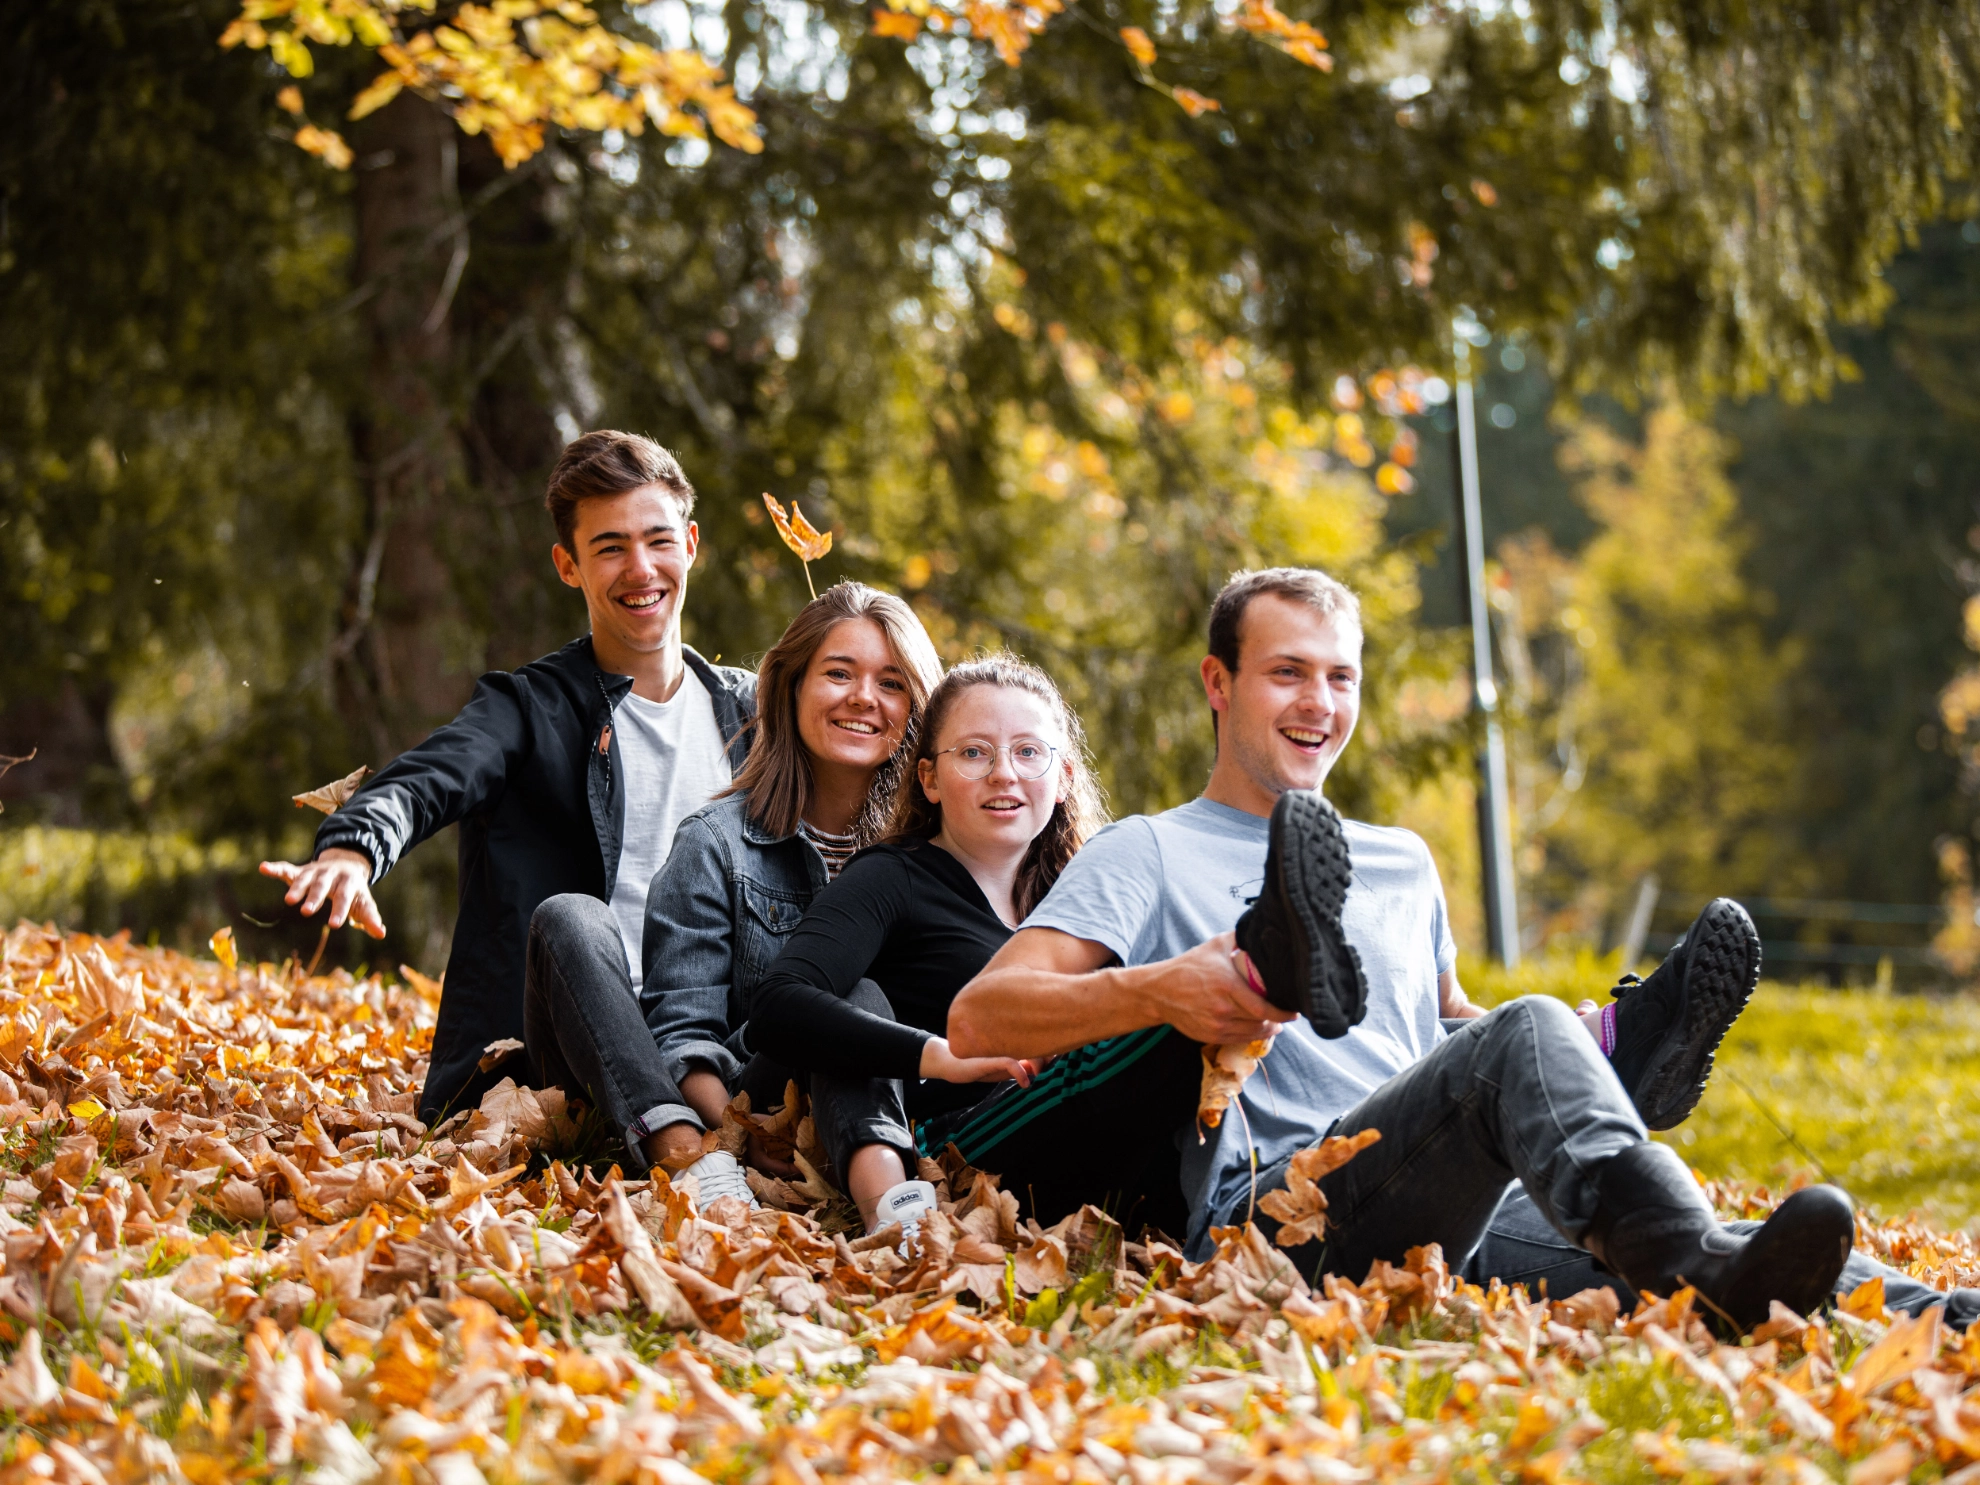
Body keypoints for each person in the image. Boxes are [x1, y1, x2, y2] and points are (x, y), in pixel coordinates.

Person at [948, 567, 1860, 1334]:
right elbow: (980, 1014)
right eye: (1288, 673)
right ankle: (1286, 956)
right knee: (1527, 1047)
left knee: (1744, 1259)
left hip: (1444, 1197)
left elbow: (1441, 1029)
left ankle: (1942, 1311)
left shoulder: (1401, 858)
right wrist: (1162, 990)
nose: (1319, 703)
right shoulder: (1149, 849)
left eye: (1341, 678)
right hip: (1280, 1220)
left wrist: (1561, 1045)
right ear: (1217, 684)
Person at [258, 432, 755, 1122]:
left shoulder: (754, 715)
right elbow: (431, 775)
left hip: (715, 1041)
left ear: (691, 544)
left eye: (657, 540)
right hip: (565, 1056)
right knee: (575, 921)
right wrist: (353, 845)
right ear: (568, 565)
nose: (640, 568)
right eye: (610, 547)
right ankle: (681, 1146)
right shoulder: (530, 708)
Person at [742, 655, 1213, 1237]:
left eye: (1028, 751)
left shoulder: (1088, 905)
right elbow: (778, 1004)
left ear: (1064, 777)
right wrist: (940, 1054)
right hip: (957, 1154)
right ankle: (899, 1221)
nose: (1003, 774)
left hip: (1085, 1146)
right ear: (929, 780)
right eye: (973, 752)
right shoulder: (895, 877)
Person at [520, 582, 943, 1186]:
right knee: (570, 917)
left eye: (892, 682)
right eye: (839, 673)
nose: (864, 699)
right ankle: (692, 1160)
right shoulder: (716, 843)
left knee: (861, 999)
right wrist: (739, 1132)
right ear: (791, 688)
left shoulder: (926, 855)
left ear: (917, 711)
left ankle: (886, 1194)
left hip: (871, 1110)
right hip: (744, 1099)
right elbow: (685, 1034)